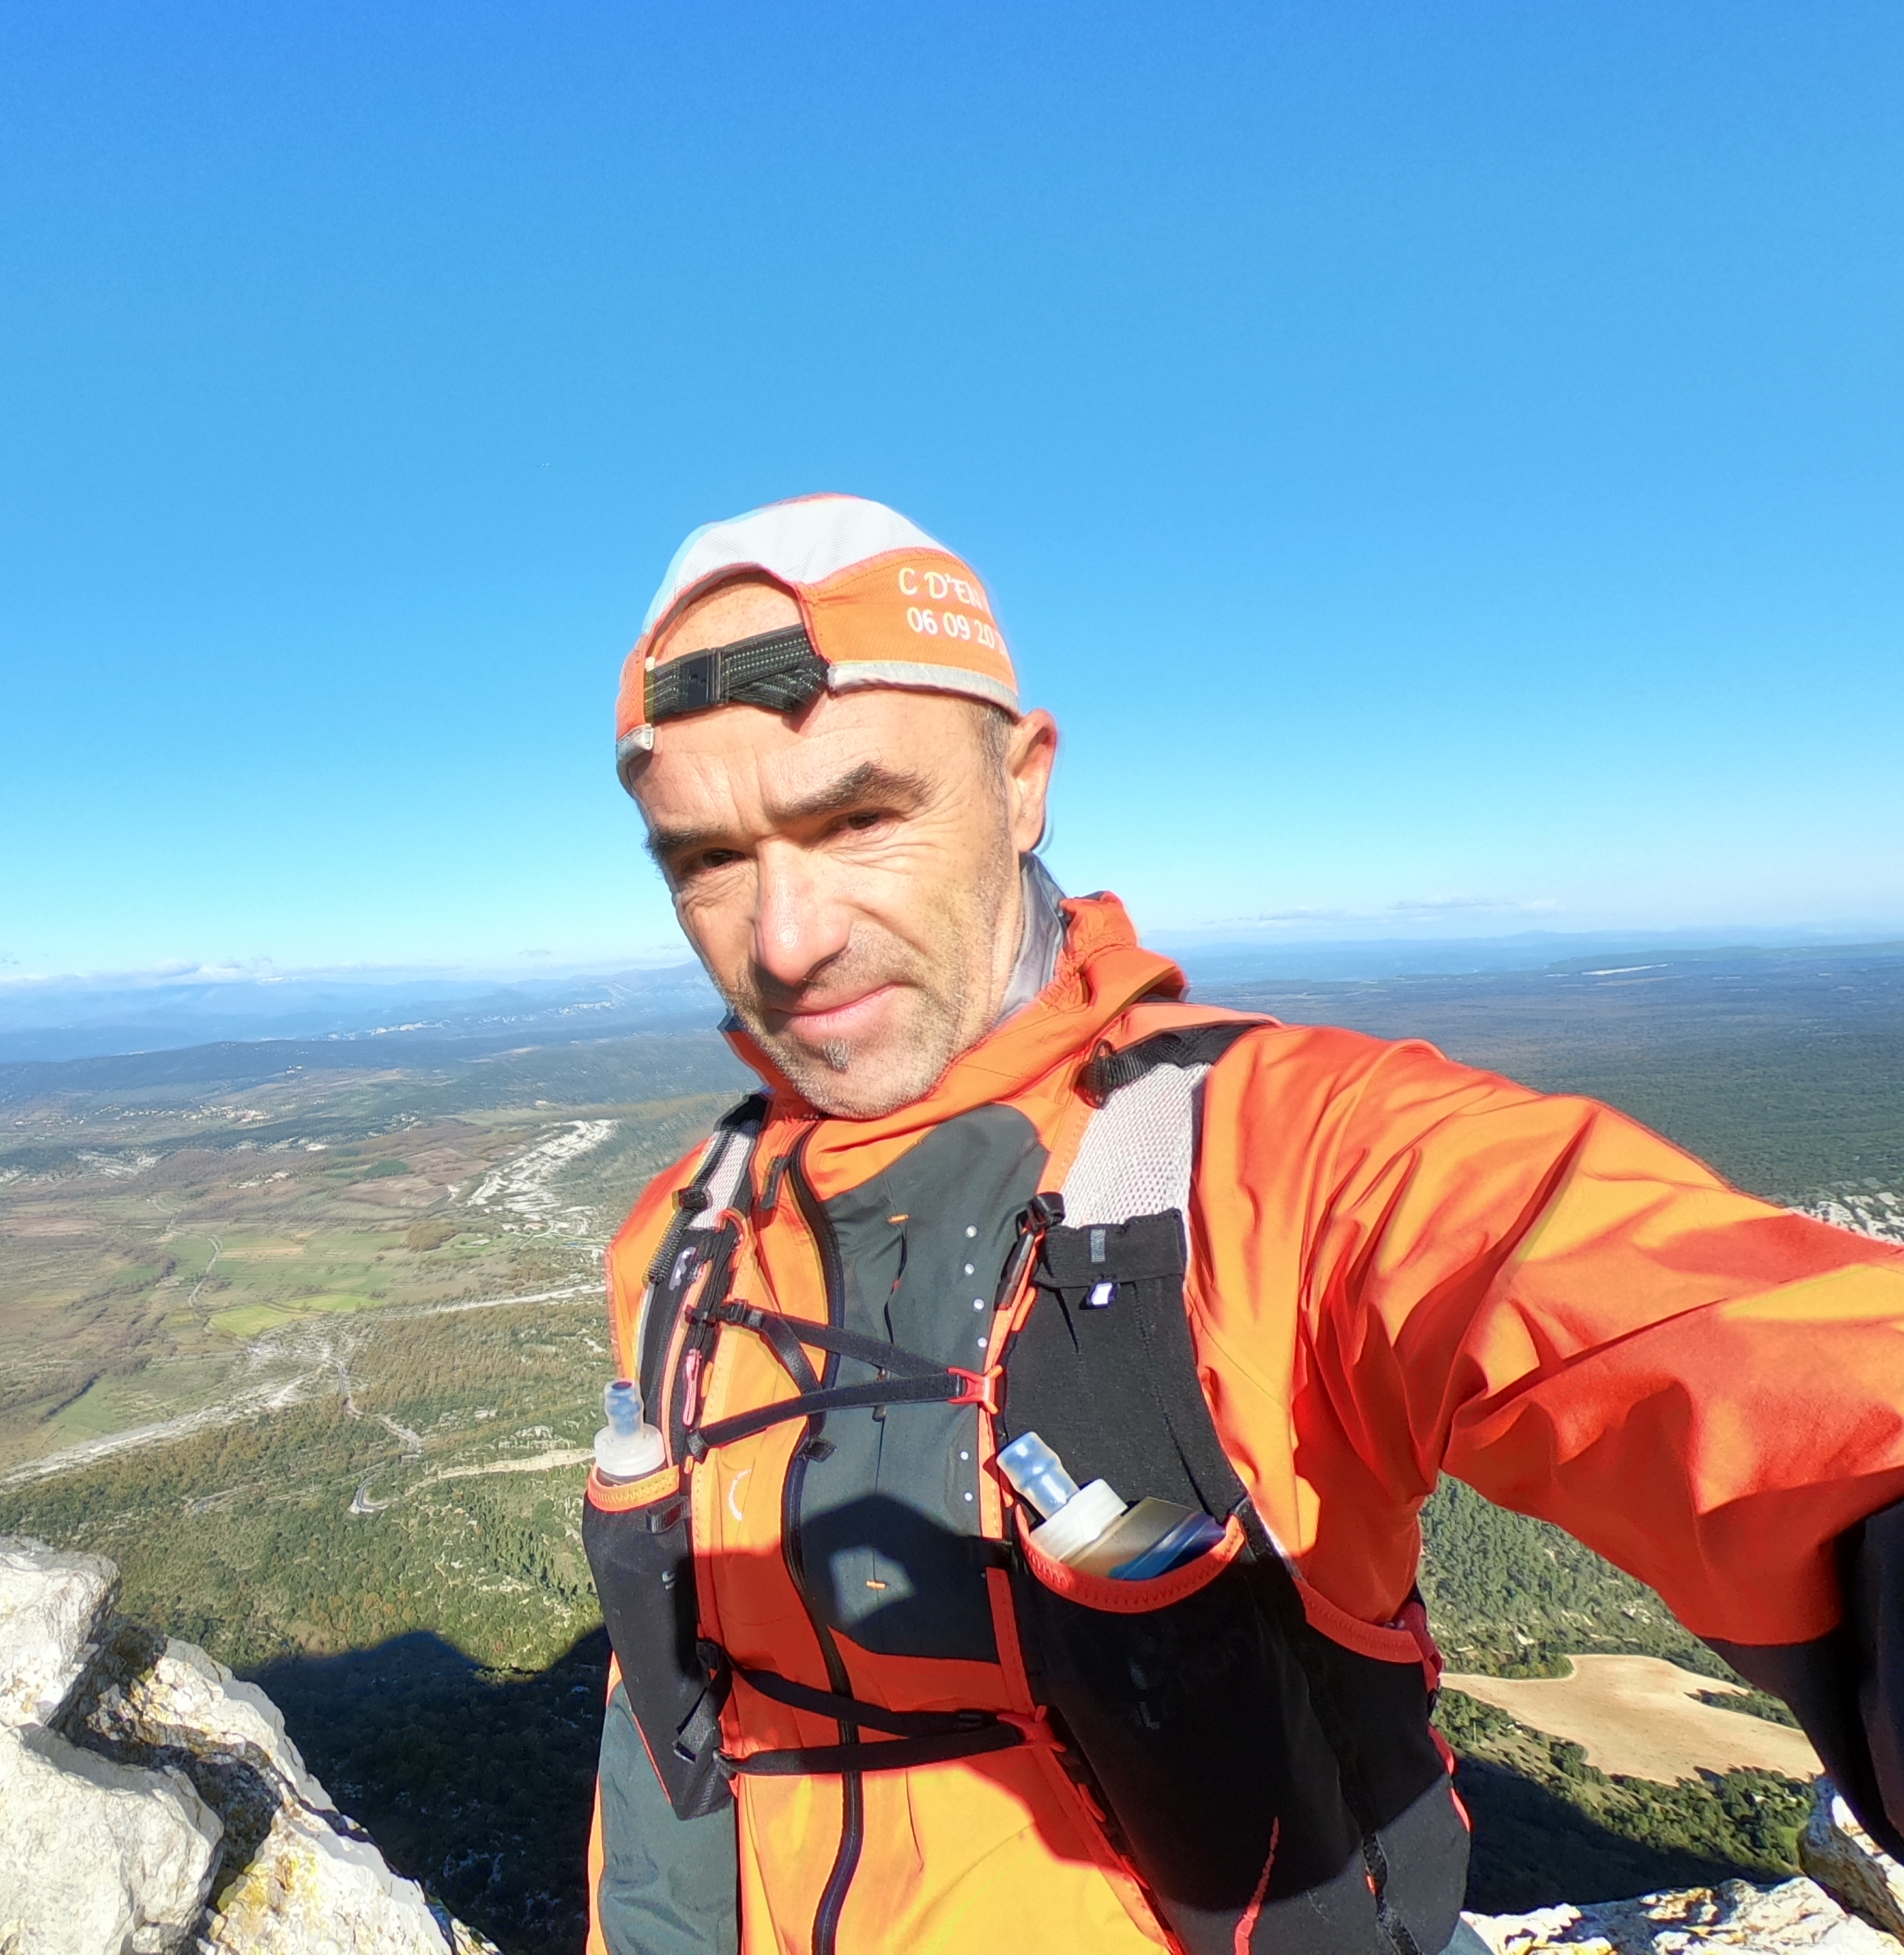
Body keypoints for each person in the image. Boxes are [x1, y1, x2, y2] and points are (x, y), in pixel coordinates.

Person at [579, 493, 1904, 1955]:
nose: (787, 938)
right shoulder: (677, 1242)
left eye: (861, 818)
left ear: (1022, 786)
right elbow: (673, 1723)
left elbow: (1678, 1320)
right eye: (706, 860)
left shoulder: (1267, 1156)